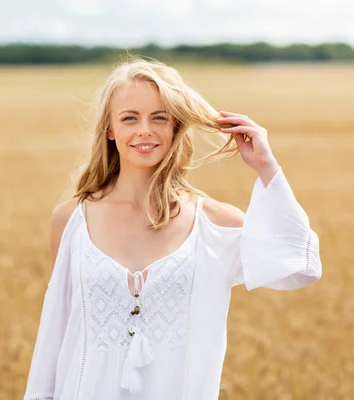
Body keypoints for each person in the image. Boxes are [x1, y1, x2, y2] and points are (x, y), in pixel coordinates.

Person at [23, 56, 322, 400]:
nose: (144, 130)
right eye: (129, 118)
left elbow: (299, 266)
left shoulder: (214, 224)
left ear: (176, 127)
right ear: (110, 129)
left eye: (159, 118)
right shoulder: (71, 220)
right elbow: (56, 334)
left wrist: (266, 166)